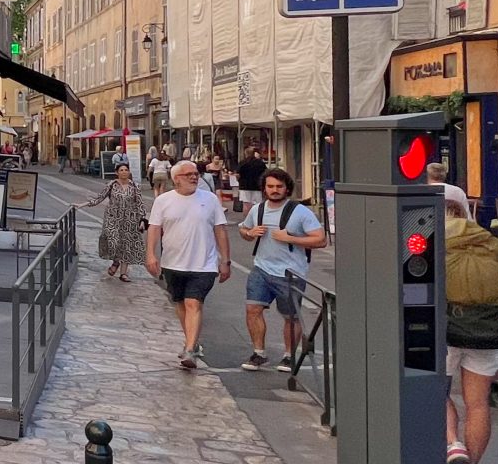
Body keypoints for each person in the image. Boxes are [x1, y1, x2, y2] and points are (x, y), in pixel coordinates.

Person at [444, 198, 498, 464]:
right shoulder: (489, 244)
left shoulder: (433, 241)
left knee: (436, 392)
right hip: (489, 328)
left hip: (448, 327)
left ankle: (452, 443)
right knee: (478, 403)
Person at [146, 159, 232, 369]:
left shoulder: (210, 199)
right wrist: (150, 254)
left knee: (193, 303)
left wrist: (225, 260)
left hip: (204, 264)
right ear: (176, 179)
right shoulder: (163, 201)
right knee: (180, 304)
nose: (194, 177)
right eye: (189, 174)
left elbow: (220, 229)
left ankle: (190, 349)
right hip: (173, 263)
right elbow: (154, 228)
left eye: (196, 174)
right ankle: (191, 342)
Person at [238, 167, 325, 370]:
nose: (274, 190)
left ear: (287, 189)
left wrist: (290, 238)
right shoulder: (257, 209)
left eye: (279, 186)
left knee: (291, 317)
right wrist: (249, 233)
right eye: (270, 186)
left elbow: (320, 240)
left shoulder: (300, 212)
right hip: (261, 269)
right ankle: (258, 353)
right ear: (264, 188)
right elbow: (243, 229)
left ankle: (289, 356)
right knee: (253, 309)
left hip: (290, 273)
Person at [89, 162, 148, 280]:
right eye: (121, 170)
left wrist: (142, 220)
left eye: (126, 170)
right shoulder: (111, 185)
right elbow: (100, 198)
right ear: (117, 172)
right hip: (113, 218)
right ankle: (116, 261)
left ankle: (123, 273)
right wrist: (83, 204)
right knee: (114, 242)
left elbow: (140, 203)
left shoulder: (135, 186)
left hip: (130, 219)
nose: (124, 172)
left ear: (129, 172)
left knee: (126, 245)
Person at [235, 148, 268, 214]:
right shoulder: (260, 163)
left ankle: (247, 219)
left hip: (244, 186)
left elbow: (237, 175)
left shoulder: (242, 162)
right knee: (257, 205)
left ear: (245, 153)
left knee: (246, 205)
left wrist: (239, 181)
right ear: (254, 153)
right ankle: (256, 218)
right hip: (257, 186)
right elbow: (265, 173)